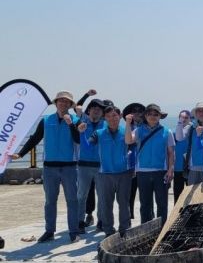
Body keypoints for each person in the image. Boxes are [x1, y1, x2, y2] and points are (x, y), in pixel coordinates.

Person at [13, 91, 81, 243]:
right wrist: (21, 154)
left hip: (69, 167)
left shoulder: (76, 120)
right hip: (50, 167)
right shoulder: (46, 120)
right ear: (56, 103)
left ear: (70, 105)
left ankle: (74, 232)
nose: (63, 103)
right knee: (50, 201)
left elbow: (78, 139)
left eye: (66, 102)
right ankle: (49, 231)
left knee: (72, 200)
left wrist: (71, 124)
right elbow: (35, 138)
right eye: (60, 101)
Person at [83, 104, 131, 237]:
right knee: (106, 205)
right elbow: (87, 147)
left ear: (120, 116)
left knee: (124, 204)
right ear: (104, 118)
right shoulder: (99, 133)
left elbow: (133, 148)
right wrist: (82, 134)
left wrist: (133, 169)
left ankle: (124, 230)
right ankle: (109, 231)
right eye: (108, 116)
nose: (112, 118)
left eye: (115, 115)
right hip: (105, 174)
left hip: (124, 173)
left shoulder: (126, 130)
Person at [125, 103, 174, 224]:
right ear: (145, 116)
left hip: (161, 172)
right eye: (150, 114)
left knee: (162, 203)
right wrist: (127, 123)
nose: (153, 116)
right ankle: (146, 230)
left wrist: (170, 170)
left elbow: (171, 153)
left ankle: (161, 229)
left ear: (160, 116)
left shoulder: (167, 132)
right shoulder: (139, 130)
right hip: (143, 172)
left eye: (156, 114)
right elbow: (128, 140)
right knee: (145, 204)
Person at [75, 99, 107, 233]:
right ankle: (79, 222)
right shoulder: (82, 122)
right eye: (93, 108)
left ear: (102, 113)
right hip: (83, 165)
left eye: (99, 109)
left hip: (100, 165)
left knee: (102, 195)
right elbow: (76, 106)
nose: (96, 110)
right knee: (81, 194)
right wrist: (87, 95)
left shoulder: (106, 124)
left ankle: (101, 221)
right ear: (88, 111)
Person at [175, 102, 203, 185]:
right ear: (196, 114)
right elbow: (179, 137)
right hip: (193, 169)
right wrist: (180, 120)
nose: (201, 113)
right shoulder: (191, 128)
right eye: (199, 111)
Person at [122, 102, 146, 219]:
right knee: (129, 193)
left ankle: (146, 217)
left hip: (145, 164)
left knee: (145, 194)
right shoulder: (125, 128)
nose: (137, 114)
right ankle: (129, 215)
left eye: (140, 111)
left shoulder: (147, 127)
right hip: (130, 164)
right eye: (134, 111)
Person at [172, 110, 190, 203]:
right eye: (182, 117)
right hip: (177, 167)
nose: (184, 119)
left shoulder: (192, 130)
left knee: (190, 194)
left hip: (189, 167)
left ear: (190, 119)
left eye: (186, 118)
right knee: (178, 194)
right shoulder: (173, 132)